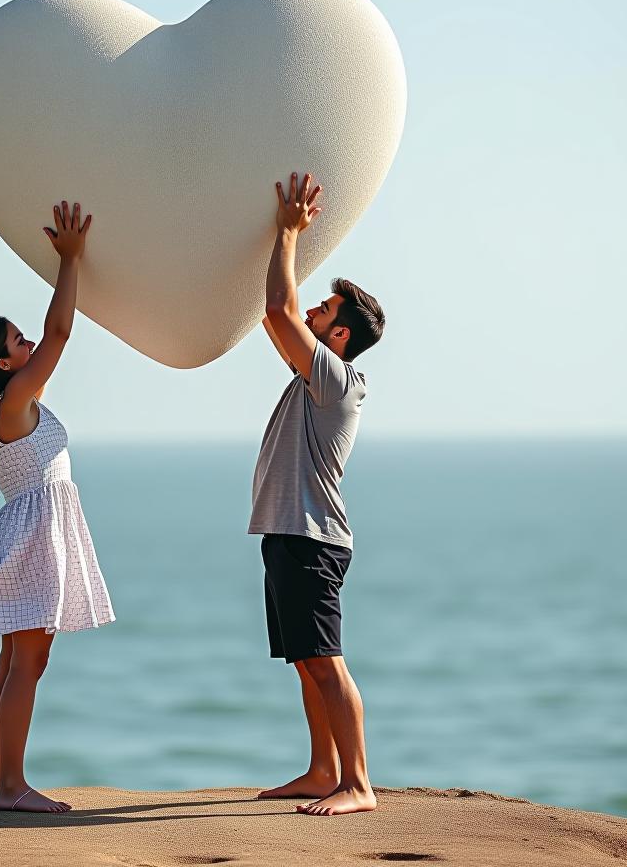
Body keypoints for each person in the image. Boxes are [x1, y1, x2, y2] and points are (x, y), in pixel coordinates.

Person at [0, 200, 115, 814]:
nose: (30, 341)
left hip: (30, 530)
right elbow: (61, 332)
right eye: (18, 340)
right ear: (5, 363)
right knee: (26, 661)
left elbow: (50, 338)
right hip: (38, 536)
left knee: (17, 661)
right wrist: (70, 261)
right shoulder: (12, 400)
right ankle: (10, 785)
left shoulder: (2, 406)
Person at [251, 172, 385, 817]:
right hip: (290, 534)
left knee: (326, 662)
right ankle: (323, 769)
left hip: (312, 538)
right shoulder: (318, 379)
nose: (311, 310)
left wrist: (287, 230)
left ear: (338, 338)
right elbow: (281, 317)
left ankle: (357, 784)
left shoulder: (337, 381)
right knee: (306, 662)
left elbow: (277, 311)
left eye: (324, 311)